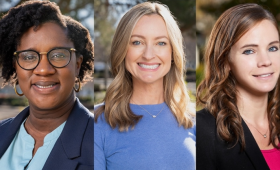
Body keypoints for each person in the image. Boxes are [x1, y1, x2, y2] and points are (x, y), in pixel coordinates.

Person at [94, 2, 195, 170]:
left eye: (161, 43)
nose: (148, 55)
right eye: (137, 42)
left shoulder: (194, 120)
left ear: (173, 52)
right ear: (123, 50)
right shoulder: (97, 123)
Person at [0, 1, 94, 170]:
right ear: (15, 66)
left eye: (58, 55)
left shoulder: (102, 144)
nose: (44, 70)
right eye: (29, 57)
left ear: (77, 65)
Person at [196, 3, 280, 170]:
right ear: (225, 61)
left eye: (273, 48)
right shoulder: (202, 132)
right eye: (249, 51)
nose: (266, 61)